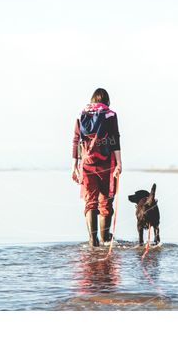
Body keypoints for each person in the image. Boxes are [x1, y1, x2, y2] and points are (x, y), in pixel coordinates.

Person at [71, 88, 122, 247]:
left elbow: (75, 140)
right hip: (106, 163)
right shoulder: (110, 114)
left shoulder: (81, 115)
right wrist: (119, 163)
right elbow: (115, 139)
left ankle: (93, 241)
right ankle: (105, 238)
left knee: (90, 202)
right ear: (106, 101)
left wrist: (74, 165)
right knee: (105, 202)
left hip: (86, 163)